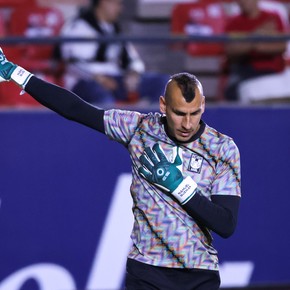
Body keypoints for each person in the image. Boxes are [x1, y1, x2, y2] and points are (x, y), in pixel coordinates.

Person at [0, 47, 241, 290]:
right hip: (146, 271)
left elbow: (226, 225)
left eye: (195, 113)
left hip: (199, 273)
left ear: (203, 105)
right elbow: (75, 109)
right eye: (179, 113)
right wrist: (14, 72)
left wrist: (180, 187)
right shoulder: (138, 129)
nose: (188, 124)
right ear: (162, 105)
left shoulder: (222, 148)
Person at [60, 0, 145, 105]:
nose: (120, 9)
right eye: (117, 4)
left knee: (160, 82)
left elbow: (133, 58)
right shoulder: (78, 26)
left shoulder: (116, 28)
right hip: (85, 81)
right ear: (103, 3)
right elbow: (72, 62)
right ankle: (112, 117)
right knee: (101, 96)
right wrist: (98, 77)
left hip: (117, 79)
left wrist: (134, 73)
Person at [224, 0, 287, 101]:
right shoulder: (233, 23)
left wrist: (247, 44)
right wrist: (257, 36)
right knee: (231, 91)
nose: (244, 2)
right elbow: (232, 51)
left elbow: (281, 46)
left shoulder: (272, 18)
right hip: (245, 71)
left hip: (273, 70)